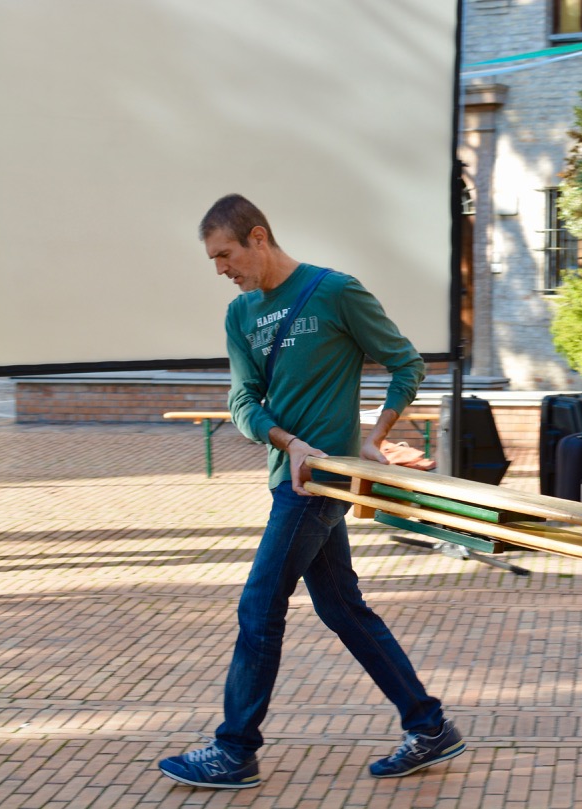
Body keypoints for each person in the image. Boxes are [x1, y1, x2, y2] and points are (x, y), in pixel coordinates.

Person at [157, 194, 466, 789]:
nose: (222, 270)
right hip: (289, 478)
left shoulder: (334, 291)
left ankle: (235, 748)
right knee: (341, 607)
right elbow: (243, 402)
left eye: (226, 255)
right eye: (214, 261)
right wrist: (284, 441)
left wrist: (375, 435)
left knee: (258, 606)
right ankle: (429, 726)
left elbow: (406, 363)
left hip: (324, 481)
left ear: (258, 237)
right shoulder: (241, 315)